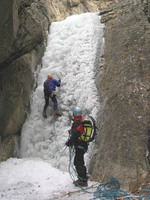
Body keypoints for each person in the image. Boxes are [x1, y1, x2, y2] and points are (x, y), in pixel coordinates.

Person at [65, 106, 88, 187]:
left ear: (74, 114)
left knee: (78, 162)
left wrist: (69, 142)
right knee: (80, 161)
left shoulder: (77, 122)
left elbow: (76, 134)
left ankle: (82, 180)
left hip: (79, 145)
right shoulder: (82, 121)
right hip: (83, 144)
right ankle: (82, 179)